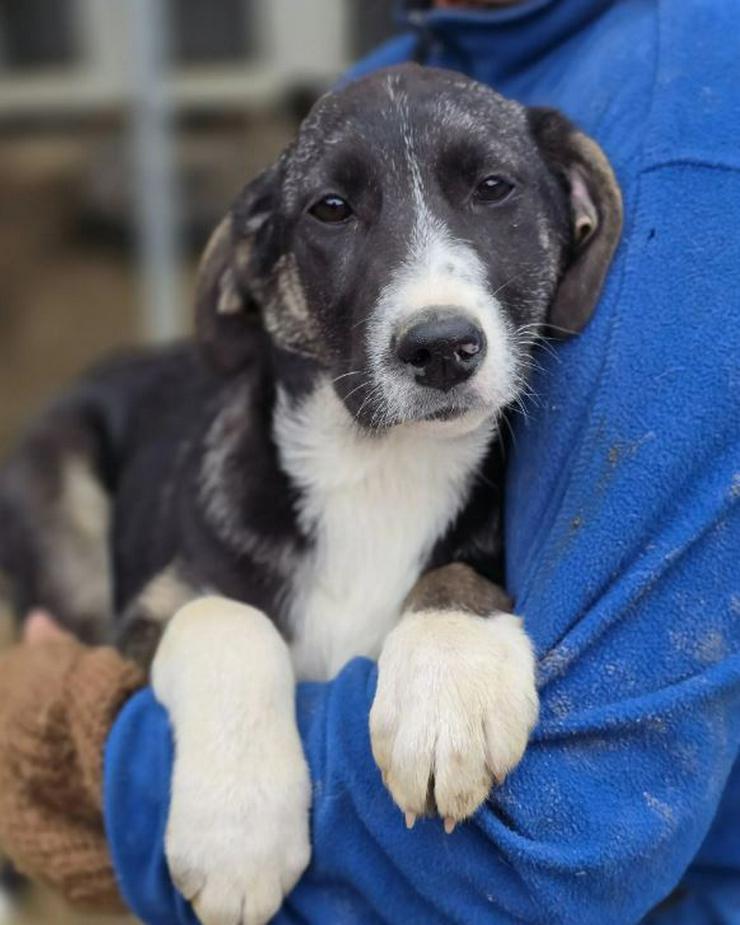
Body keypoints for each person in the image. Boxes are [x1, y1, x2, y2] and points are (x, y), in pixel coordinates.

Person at [1, 0, 739, 922]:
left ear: (580, 215)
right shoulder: (428, 55)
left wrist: (104, 764)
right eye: (337, 209)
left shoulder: (694, 137)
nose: (433, 307)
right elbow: (166, 619)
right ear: (255, 285)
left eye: (495, 191)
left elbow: (566, 842)